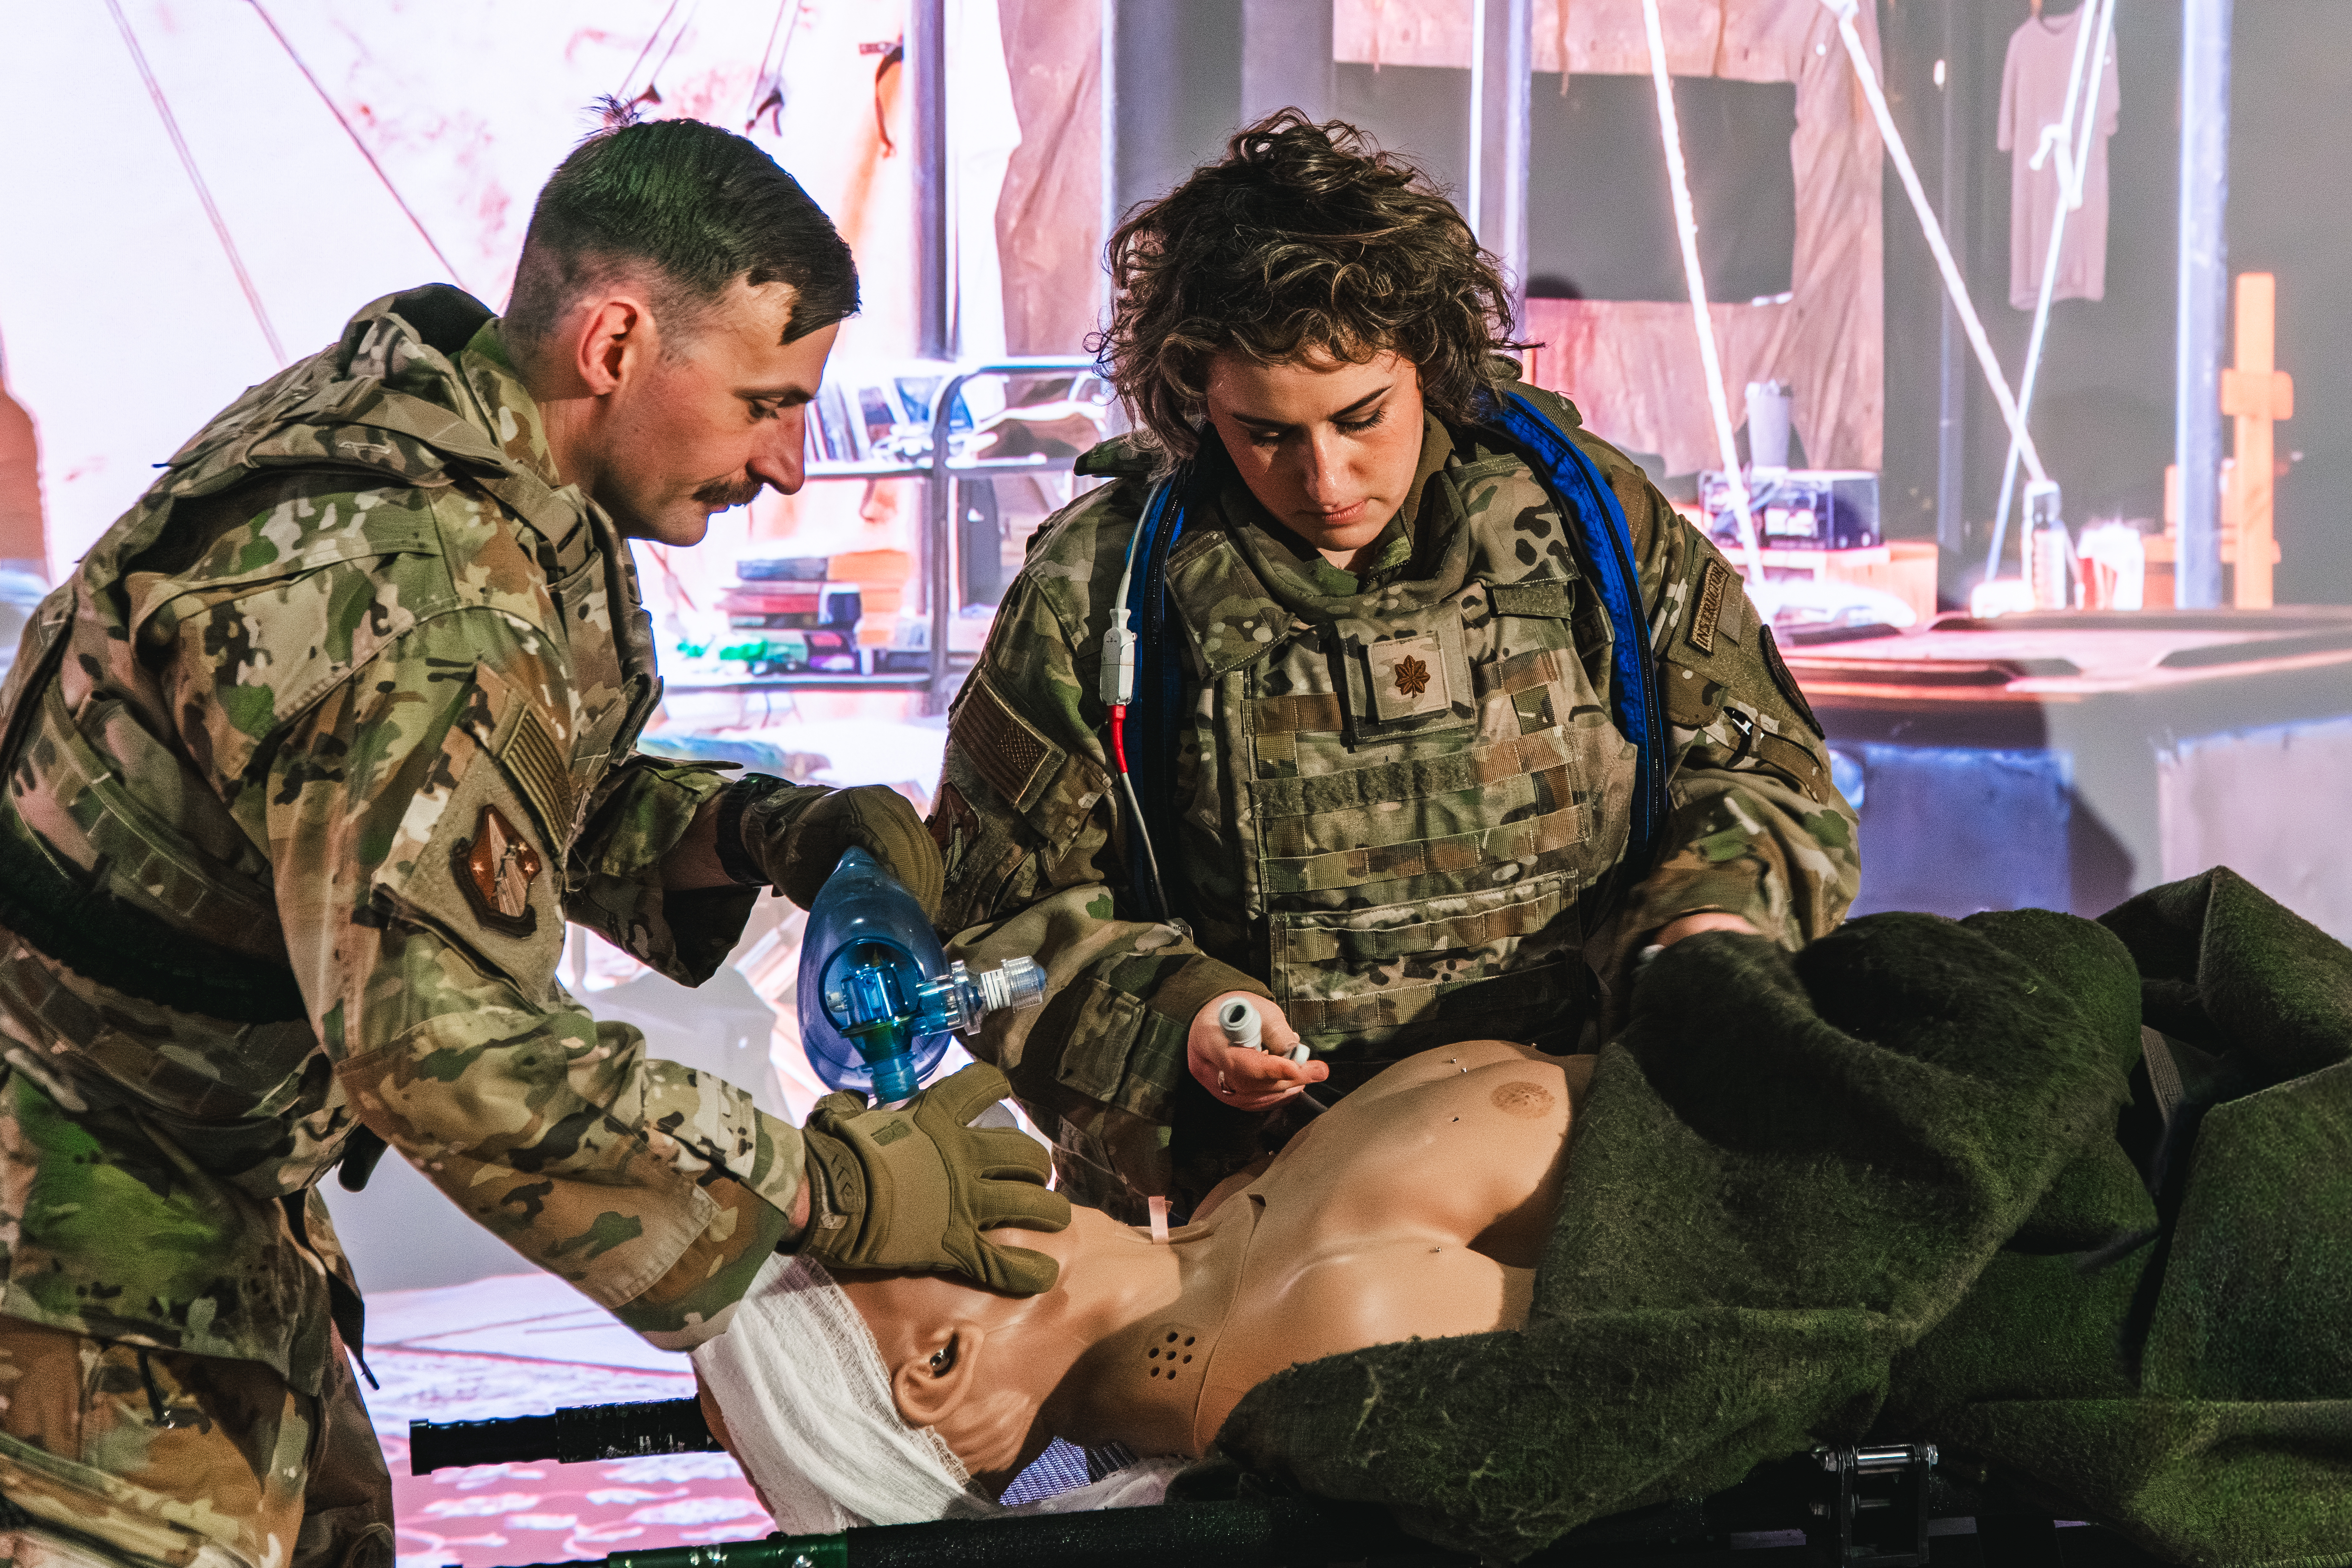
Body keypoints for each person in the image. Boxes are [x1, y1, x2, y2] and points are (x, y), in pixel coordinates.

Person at [0, 115, 1064, 1568]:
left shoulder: (440, 446)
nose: (787, 465)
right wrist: (828, 1192)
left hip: (178, 1202)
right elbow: (448, 1050)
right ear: (615, 343)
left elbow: (481, 807)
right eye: (764, 402)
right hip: (73, 1252)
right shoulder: (423, 586)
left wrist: (757, 830)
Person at [930, 112, 1859, 1218]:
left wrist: (1710, 924)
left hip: (1580, 1177)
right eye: (1264, 433)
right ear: (1195, 401)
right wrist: (1177, 1023)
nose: (1324, 480)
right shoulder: (1102, 587)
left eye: (1360, 417)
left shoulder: (1589, 523)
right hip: (1253, 1232)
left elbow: (1771, 782)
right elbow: (995, 935)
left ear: (1426, 361)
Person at [695, 1035, 1589, 1531]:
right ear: (938, 1365)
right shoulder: (1329, 1321)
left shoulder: (1229, 1214)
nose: (885, 1182)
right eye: (859, 1232)